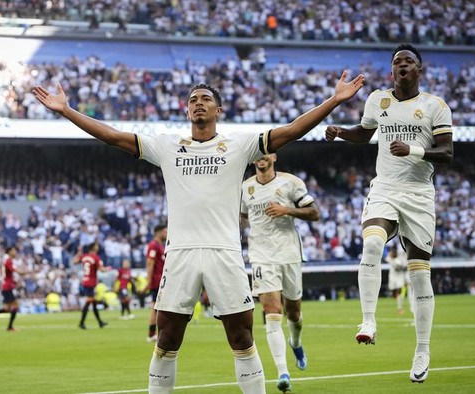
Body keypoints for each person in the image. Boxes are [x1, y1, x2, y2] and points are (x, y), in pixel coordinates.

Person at [33, 69, 364, 393]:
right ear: (186, 109)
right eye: (193, 100)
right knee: (166, 339)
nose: (199, 103)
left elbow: (292, 131)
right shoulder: (166, 146)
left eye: (206, 99)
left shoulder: (240, 145)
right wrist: (66, 111)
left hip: (225, 254)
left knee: (242, 337)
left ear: (218, 110)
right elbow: (113, 136)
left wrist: (333, 100)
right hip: (180, 255)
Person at [326, 43, 453, 384]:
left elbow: (447, 152)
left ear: (419, 70)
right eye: (397, 61)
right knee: (371, 245)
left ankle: (422, 351)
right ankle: (368, 320)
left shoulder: (434, 107)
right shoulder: (377, 100)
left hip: (419, 195)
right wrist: (341, 132)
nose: (402, 65)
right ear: (392, 70)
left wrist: (411, 149)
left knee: (419, 274)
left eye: (408, 61)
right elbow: (364, 134)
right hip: (384, 187)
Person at [240, 153, 320, 393]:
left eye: (265, 154)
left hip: (289, 254)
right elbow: (243, 216)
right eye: (257, 156)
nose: (260, 159)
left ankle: (295, 342)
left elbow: (314, 213)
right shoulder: (245, 187)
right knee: (272, 311)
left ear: (273, 157)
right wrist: (240, 228)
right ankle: (283, 372)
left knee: (294, 313)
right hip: (261, 256)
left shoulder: (291, 182)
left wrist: (287, 210)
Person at [0, 246, 29, 331]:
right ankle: (10, 327)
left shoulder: (9, 261)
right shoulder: (8, 261)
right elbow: (16, 271)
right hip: (7, 287)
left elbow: (10, 274)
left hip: (7, 286)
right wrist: (26, 272)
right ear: (10, 252)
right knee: (15, 305)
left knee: (7, 309)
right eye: (14, 250)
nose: (15, 252)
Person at [74, 242, 110, 329]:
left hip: (85, 281)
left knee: (93, 303)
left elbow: (74, 261)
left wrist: (79, 252)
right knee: (89, 301)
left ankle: (100, 322)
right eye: (96, 246)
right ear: (93, 248)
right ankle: (81, 323)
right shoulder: (96, 258)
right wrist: (108, 268)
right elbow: (102, 270)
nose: (98, 247)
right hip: (91, 282)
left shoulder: (84, 256)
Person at [145, 224, 167, 342]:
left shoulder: (159, 246)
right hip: (157, 281)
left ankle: (153, 334)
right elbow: (150, 263)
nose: (166, 234)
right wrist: (149, 280)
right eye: (164, 231)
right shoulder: (153, 245)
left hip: (161, 280)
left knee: (157, 307)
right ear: (158, 232)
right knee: (156, 307)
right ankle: (153, 334)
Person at [386, 245, 408, 314]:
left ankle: (400, 306)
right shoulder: (389, 258)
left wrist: (401, 267)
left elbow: (404, 265)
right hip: (392, 276)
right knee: (393, 289)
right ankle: (396, 296)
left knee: (401, 289)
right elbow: (388, 259)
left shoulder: (400, 259)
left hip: (400, 276)